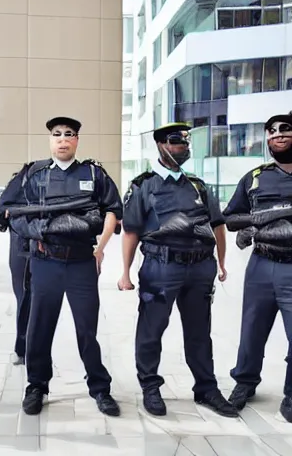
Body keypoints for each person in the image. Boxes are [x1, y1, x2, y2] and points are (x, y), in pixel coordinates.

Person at [2, 116, 122, 417]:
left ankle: (99, 387)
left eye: (69, 134)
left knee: (87, 330)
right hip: (45, 261)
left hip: (82, 262)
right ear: (50, 140)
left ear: (77, 140)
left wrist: (100, 247)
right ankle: (36, 386)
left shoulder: (94, 173)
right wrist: (38, 231)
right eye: (57, 134)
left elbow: (113, 211)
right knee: (39, 328)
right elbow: (10, 212)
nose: (63, 139)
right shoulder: (33, 173)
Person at [118, 122, 237, 418]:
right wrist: (125, 272)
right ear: (160, 145)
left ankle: (206, 389)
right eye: (175, 141)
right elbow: (131, 231)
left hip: (199, 269)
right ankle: (150, 386)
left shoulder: (197, 185)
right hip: (161, 267)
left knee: (199, 332)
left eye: (185, 142)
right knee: (151, 329)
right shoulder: (143, 185)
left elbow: (217, 224)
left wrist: (221, 263)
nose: (182, 146)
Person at [223, 112, 292, 422]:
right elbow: (231, 217)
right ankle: (245, 383)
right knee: (252, 331)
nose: (278, 134)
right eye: (272, 130)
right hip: (261, 265)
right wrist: (257, 223)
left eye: (286, 128)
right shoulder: (254, 177)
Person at [0, 171, 32, 366]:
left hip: (49, 247)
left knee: (35, 300)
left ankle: (30, 348)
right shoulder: (22, 180)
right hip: (21, 249)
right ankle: (23, 348)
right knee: (25, 297)